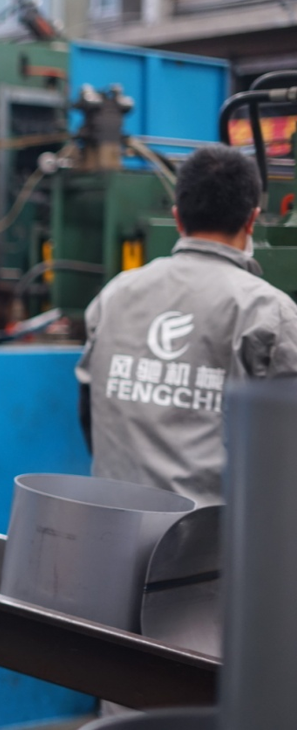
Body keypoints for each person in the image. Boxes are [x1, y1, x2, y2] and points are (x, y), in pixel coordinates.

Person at [76, 144, 297, 506]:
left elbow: (89, 410)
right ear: (252, 220)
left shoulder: (115, 295)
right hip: (212, 536)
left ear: (178, 218)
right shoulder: (268, 311)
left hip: (111, 525)